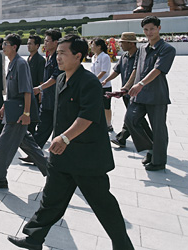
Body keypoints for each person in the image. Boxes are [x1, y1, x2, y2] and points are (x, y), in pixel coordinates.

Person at [7, 35, 134, 250]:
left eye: (63, 53)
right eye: (57, 53)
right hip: (62, 156)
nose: (58, 57)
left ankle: (123, 246)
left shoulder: (89, 82)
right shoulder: (61, 80)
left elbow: (87, 116)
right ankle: (34, 238)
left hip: (87, 158)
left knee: (103, 205)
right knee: (50, 199)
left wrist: (65, 137)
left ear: (78, 56)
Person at [0, 34, 47, 190]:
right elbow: (13, 91)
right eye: (2, 44)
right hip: (13, 110)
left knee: (3, 146)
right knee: (29, 145)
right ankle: (54, 172)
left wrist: (26, 114)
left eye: (5, 44)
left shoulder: (20, 64)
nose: (3, 47)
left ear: (14, 47)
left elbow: (26, 91)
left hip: (19, 114)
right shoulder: (12, 63)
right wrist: (4, 106)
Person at [124, 16, 176, 171]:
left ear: (159, 28)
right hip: (139, 95)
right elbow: (135, 70)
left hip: (156, 95)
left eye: (152, 29)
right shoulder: (141, 48)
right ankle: (152, 148)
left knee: (158, 128)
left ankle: (158, 161)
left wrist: (140, 84)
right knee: (131, 119)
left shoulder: (167, 49)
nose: (149, 32)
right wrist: (127, 87)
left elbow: (158, 70)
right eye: (146, 30)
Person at [102, 32, 152, 148]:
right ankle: (152, 138)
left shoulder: (141, 56)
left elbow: (135, 74)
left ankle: (122, 138)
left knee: (131, 117)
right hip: (125, 93)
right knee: (136, 118)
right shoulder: (124, 56)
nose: (120, 45)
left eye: (122, 43)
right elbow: (117, 70)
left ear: (131, 43)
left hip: (137, 92)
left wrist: (127, 87)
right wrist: (106, 80)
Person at [33, 29, 62, 148]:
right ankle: (34, 153)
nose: (45, 43)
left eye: (47, 41)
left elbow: (55, 77)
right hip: (47, 98)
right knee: (42, 127)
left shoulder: (58, 58)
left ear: (56, 42)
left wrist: (39, 88)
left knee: (50, 127)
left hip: (54, 98)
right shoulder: (49, 56)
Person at [90, 37, 113, 131]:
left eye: (93, 45)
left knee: (106, 106)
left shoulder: (105, 57)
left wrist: (94, 80)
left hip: (104, 85)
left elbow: (104, 71)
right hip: (95, 84)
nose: (91, 47)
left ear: (99, 46)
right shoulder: (93, 57)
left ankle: (108, 124)